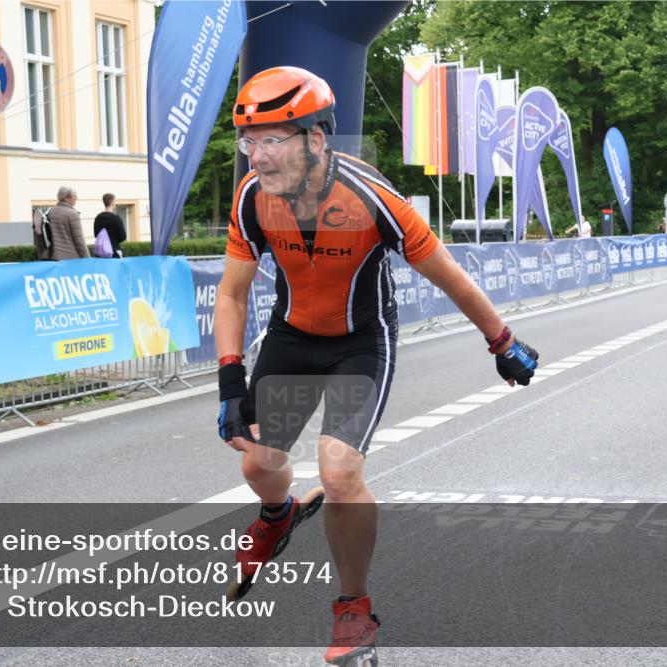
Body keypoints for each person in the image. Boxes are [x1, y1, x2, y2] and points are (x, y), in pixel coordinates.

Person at [213, 66, 540, 666]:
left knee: (338, 475)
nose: (256, 157)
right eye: (249, 141)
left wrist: (502, 340)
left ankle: (353, 609)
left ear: (315, 139)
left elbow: (450, 276)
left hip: (360, 344)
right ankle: (279, 513)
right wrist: (230, 380)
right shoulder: (251, 199)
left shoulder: (371, 198)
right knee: (259, 463)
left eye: (271, 140)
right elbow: (232, 294)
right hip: (290, 338)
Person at [47, 186, 90, 260]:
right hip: (71, 258)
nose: (76, 198)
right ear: (66, 198)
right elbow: (79, 240)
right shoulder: (72, 214)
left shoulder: (51, 212)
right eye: (74, 196)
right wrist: (88, 259)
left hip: (53, 257)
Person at [93, 193, 127, 258]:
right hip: (114, 252)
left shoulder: (98, 218)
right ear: (112, 202)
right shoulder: (116, 218)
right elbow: (123, 237)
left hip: (100, 253)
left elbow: (96, 234)